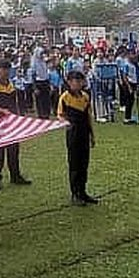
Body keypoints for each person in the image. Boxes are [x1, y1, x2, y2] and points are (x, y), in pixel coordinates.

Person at [0, 60, 32, 191]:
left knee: (14, 149)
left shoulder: (11, 85)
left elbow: (15, 102)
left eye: (7, 69)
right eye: (2, 69)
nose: (5, 72)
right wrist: (3, 111)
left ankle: (15, 176)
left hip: (12, 121)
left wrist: (18, 115)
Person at [57, 70, 98, 206]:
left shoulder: (85, 97)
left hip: (84, 133)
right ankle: (75, 193)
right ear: (69, 82)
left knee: (84, 163)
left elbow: (88, 117)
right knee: (74, 164)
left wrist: (92, 135)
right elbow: (60, 115)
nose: (79, 83)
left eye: (81, 81)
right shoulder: (65, 97)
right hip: (73, 134)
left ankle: (83, 191)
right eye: (76, 80)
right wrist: (65, 123)